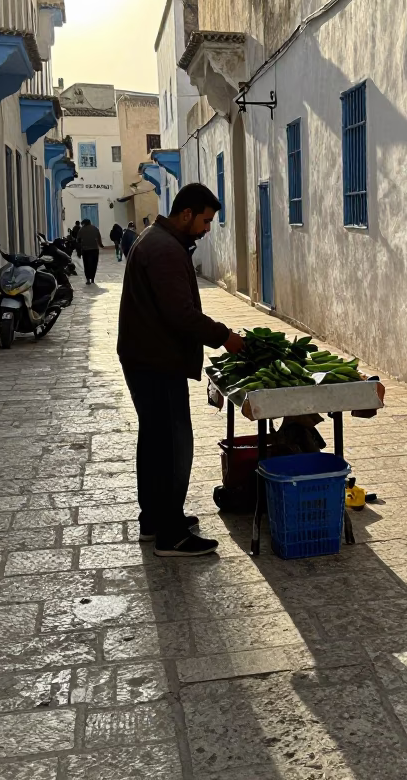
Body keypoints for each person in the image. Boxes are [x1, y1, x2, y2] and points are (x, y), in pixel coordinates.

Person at [118, 183, 244, 557]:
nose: (207, 228)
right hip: (156, 362)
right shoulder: (165, 250)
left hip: (147, 357)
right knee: (172, 446)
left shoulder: (158, 240)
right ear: (186, 214)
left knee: (155, 442)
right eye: (205, 220)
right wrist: (225, 337)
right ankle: (171, 534)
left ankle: (155, 519)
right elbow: (180, 314)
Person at [77, 217, 103, 284]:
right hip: (94, 249)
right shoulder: (95, 229)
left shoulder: (81, 230)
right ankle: (93, 279)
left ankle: (88, 279)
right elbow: (99, 238)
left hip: (85, 250)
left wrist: (79, 251)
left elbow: (78, 240)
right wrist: (101, 245)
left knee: (86, 264)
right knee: (94, 264)